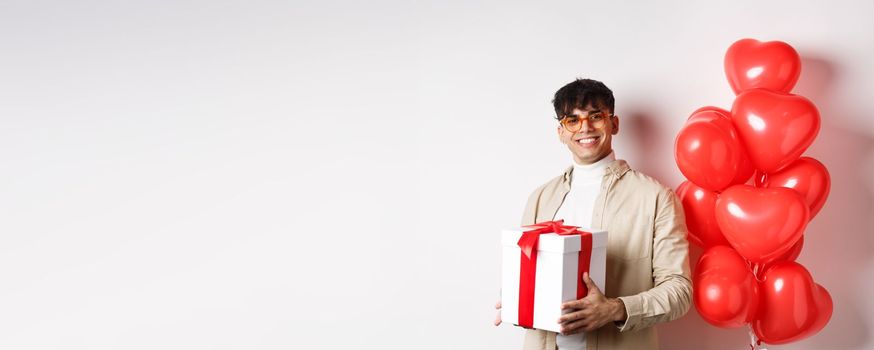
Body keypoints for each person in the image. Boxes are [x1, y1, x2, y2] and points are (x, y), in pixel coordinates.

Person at [494, 78, 692, 349]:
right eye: (572, 120)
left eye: (595, 116)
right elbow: (528, 270)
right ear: (561, 132)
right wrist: (517, 298)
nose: (584, 127)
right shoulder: (540, 198)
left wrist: (615, 309)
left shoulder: (656, 198)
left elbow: (679, 291)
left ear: (614, 123)